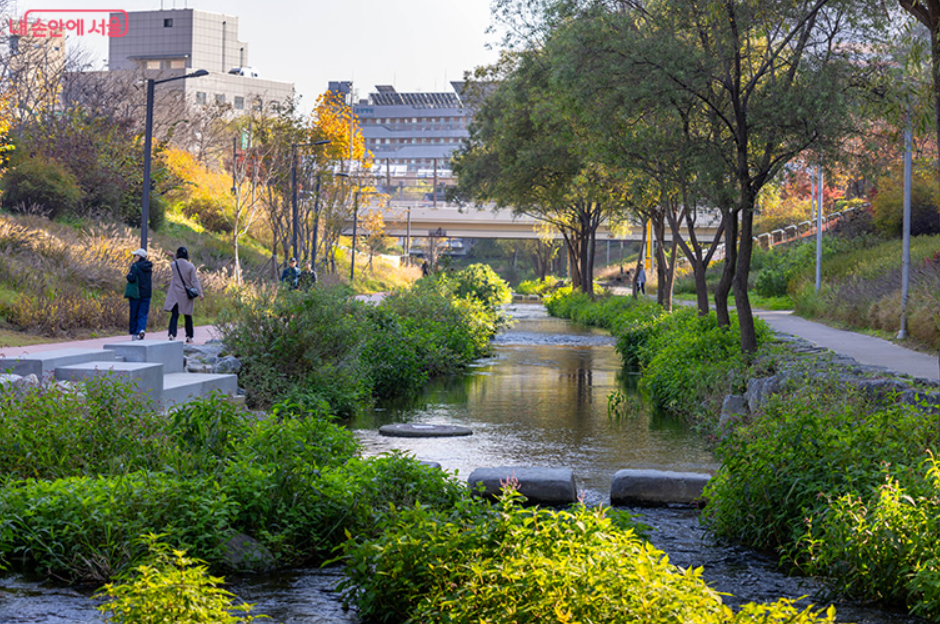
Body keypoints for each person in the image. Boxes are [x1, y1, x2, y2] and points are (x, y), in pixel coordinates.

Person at [164, 246, 202, 343]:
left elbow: (177, 264)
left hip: (175, 294)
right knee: (188, 315)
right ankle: (189, 336)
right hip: (186, 294)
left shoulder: (174, 264)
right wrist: (200, 293)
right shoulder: (191, 266)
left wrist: (172, 256)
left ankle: (172, 334)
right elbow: (194, 281)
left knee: (174, 315)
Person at [126, 247, 153, 341]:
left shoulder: (135, 266)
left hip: (136, 294)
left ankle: (134, 333)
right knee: (143, 313)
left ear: (140, 256)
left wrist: (128, 275)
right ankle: (141, 329)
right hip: (147, 293)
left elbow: (131, 278)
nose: (134, 257)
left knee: (134, 313)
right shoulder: (148, 267)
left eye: (136, 255)